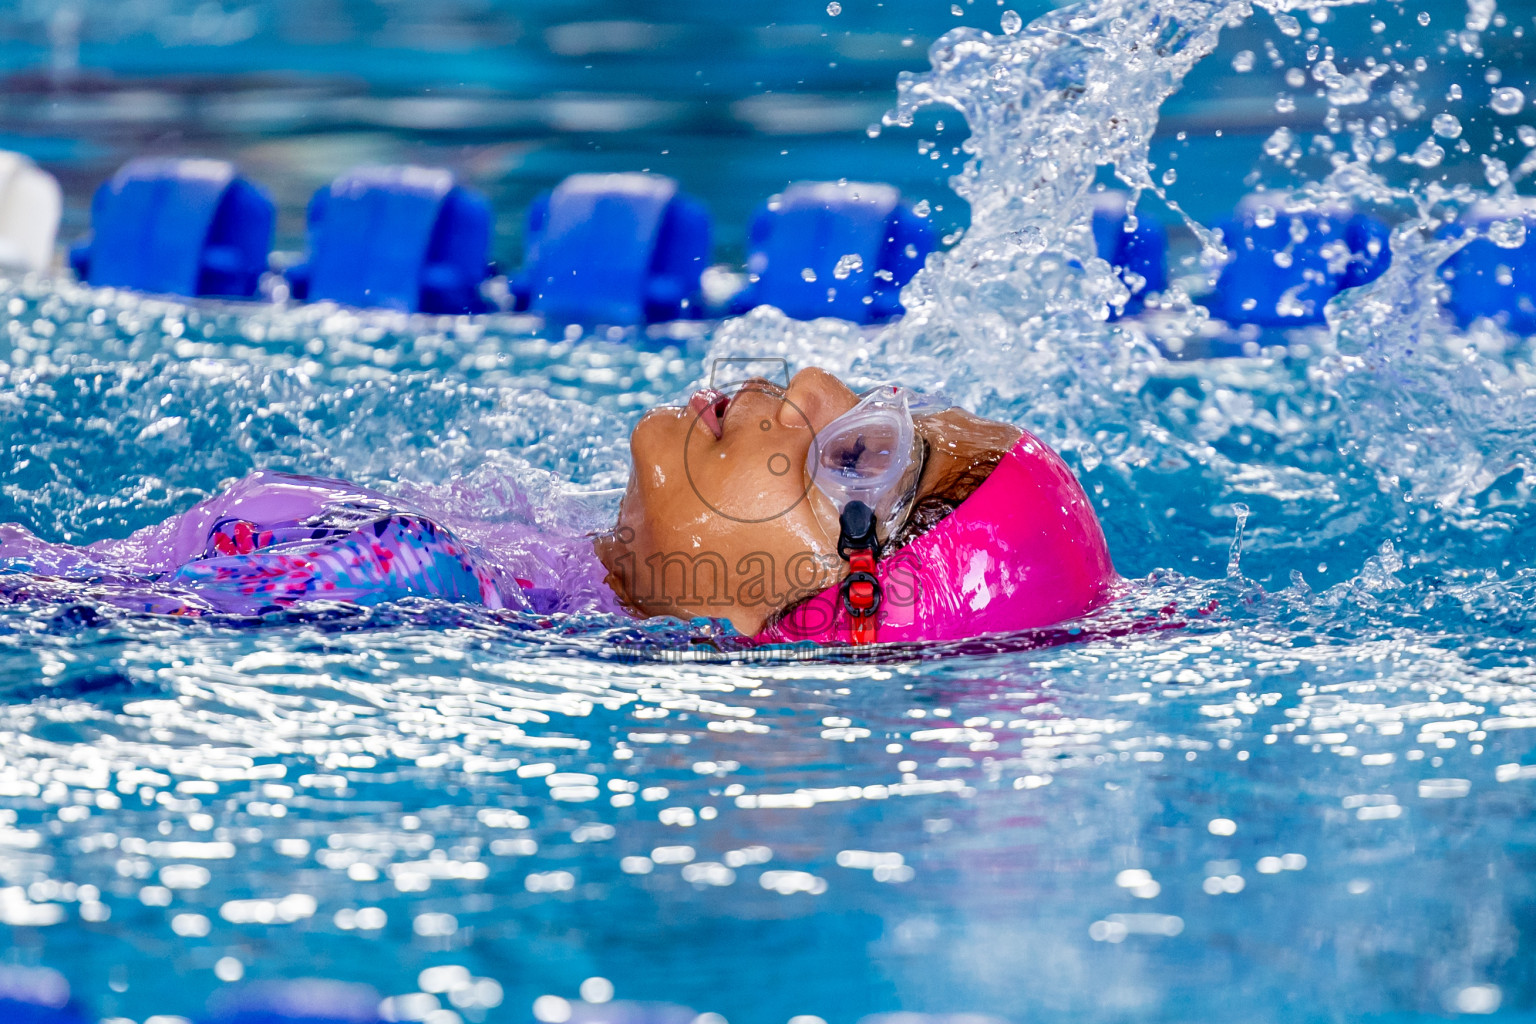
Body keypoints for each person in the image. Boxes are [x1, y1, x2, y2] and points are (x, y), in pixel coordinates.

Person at [0, 368, 1117, 644]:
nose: (806, 384)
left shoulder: (422, 588)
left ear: (826, 606)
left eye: (859, 454)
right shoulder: (523, 560)